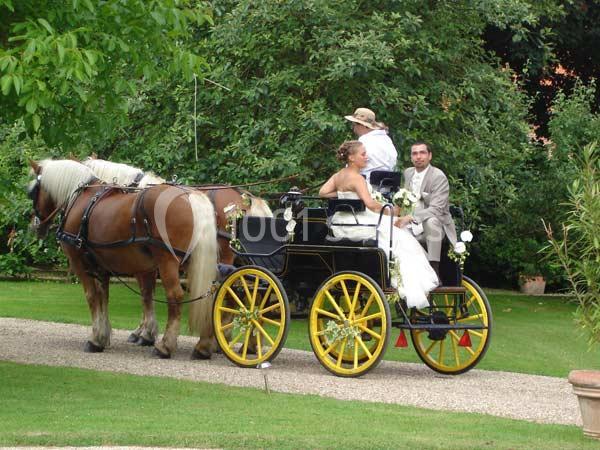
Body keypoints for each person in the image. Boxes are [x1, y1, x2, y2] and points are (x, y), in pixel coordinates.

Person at [319, 141, 438, 308]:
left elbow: (322, 192)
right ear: (352, 158)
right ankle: (403, 282)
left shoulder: (338, 175)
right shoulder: (357, 178)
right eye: (363, 154)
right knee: (401, 237)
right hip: (360, 221)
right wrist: (389, 211)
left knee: (397, 233)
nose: (366, 157)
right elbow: (370, 204)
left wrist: (342, 194)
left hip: (342, 222)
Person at [403, 142, 457, 279]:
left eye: (422, 153)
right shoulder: (408, 173)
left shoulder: (438, 176)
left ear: (430, 156)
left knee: (431, 221)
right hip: (410, 223)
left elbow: (437, 209)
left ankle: (434, 269)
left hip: (435, 225)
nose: (418, 157)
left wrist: (413, 218)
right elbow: (403, 200)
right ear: (411, 157)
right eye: (414, 153)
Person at [344, 107, 398, 182]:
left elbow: (351, 167)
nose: (353, 128)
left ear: (361, 125)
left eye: (354, 124)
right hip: (387, 186)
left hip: (364, 185)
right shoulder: (387, 140)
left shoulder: (363, 142)